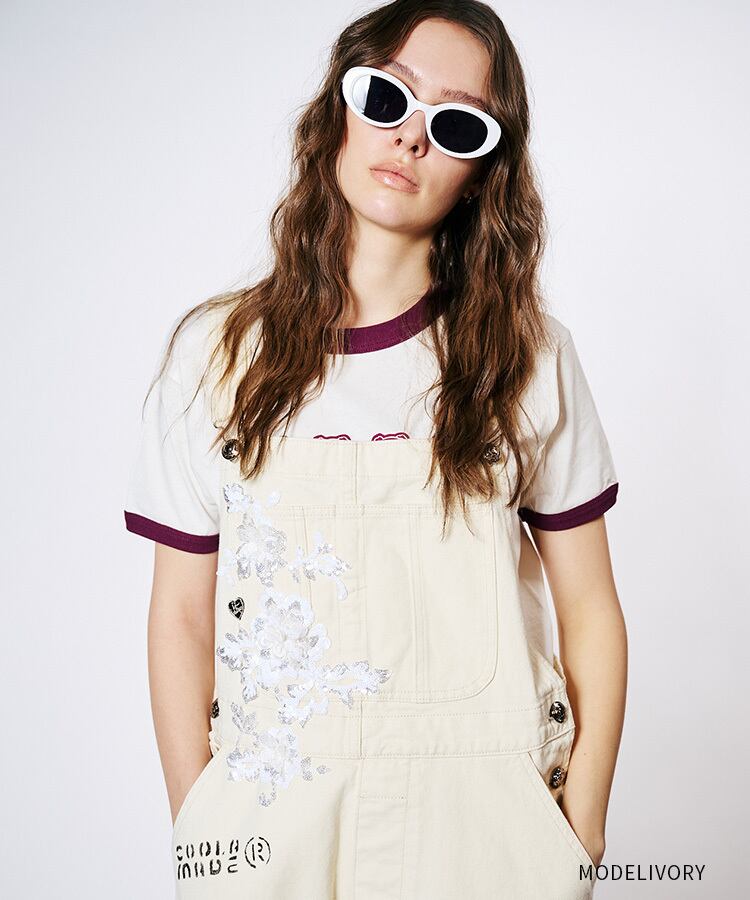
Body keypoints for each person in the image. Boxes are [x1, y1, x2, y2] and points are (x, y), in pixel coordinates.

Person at [123, 1, 627, 897]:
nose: (411, 138)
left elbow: (589, 606)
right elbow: (181, 618)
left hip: (487, 820)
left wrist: (580, 829)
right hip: (275, 820)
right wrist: (201, 827)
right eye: (388, 98)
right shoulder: (215, 358)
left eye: (457, 125)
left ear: (482, 173)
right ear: (338, 111)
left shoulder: (529, 360)